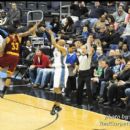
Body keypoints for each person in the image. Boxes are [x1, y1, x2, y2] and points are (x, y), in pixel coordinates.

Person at [0, 22, 40, 98]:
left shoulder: (7, 39)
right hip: (16, 57)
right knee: (9, 76)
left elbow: (1, 50)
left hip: (9, 55)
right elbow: (29, 31)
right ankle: (3, 92)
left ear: (8, 32)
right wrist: (36, 25)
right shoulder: (19, 36)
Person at [46, 28, 68, 115]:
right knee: (55, 89)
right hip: (57, 69)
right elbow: (53, 42)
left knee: (58, 89)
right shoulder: (56, 49)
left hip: (62, 70)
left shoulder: (63, 49)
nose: (58, 42)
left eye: (60, 42)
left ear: (62, 44)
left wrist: (51, 33)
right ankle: (56, 105)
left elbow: (54, 43)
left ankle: (57, 106)